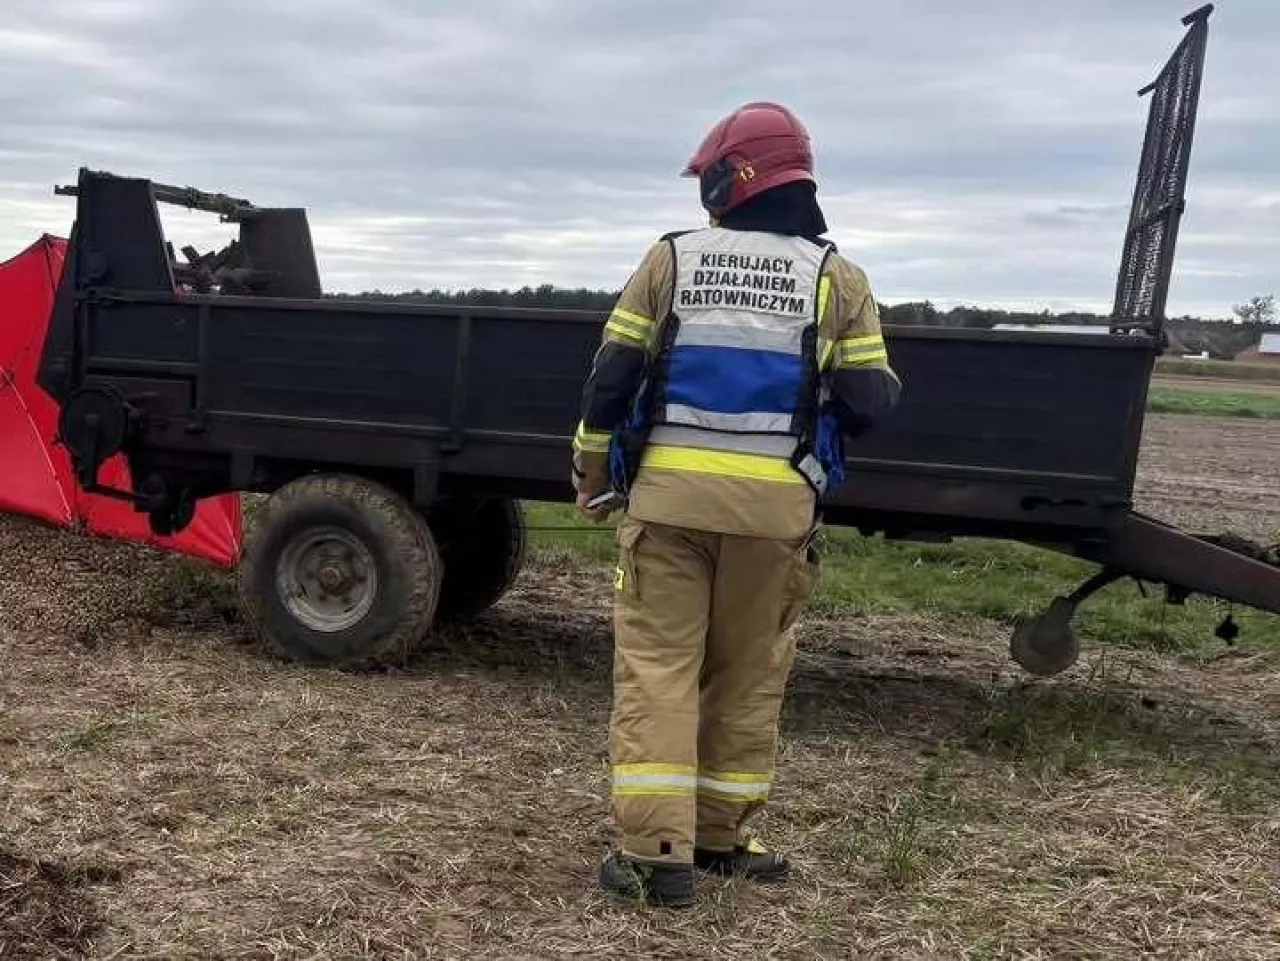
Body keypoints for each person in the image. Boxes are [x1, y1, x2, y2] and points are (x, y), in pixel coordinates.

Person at [570, 101, 902, 907]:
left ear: (730, 176)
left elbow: (612, 377)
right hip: (776, 519)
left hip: (670, 509)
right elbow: (869, 401)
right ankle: (723, 837)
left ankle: (656, 855)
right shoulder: (837, 277)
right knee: (748, 675)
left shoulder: (671, 260)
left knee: (659, 670)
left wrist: (591, 468)